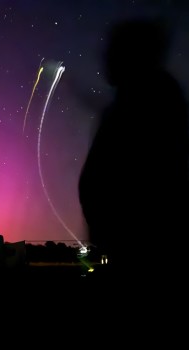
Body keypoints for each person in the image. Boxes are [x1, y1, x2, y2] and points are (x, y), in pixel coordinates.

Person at [78, 17, 189, 279]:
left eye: (113, 49)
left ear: (133, 53)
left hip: (141, 254)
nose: (104, 56)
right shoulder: (138, 98)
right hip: (126, 249)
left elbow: (148, 181)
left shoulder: (153, 99)